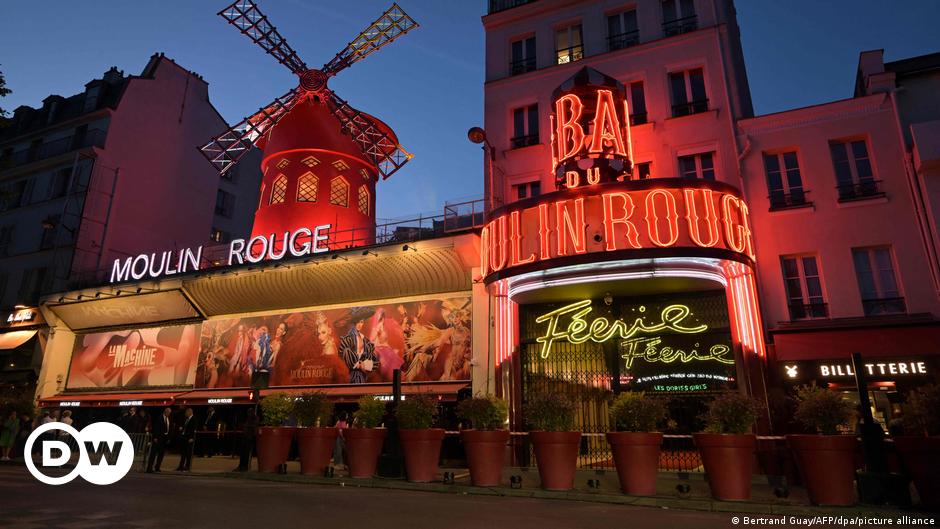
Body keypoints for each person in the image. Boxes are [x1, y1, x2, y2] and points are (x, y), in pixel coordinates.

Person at [340, 308, 378, 384]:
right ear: (353, 323)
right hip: (350, 377)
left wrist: (365, 365)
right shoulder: (347, 339)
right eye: (357, 322)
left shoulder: (366, 342)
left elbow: (375, 363)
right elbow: (342, 356)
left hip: (363, 377)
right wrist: (358, 365)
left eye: (361, 322)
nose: (359, 325)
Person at [147, 408, 172, 473]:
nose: (169, 414)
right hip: (158, 438)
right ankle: (149, 468)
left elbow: (169, 429)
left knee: (161, 454)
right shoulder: (159, 418)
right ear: (165, 412)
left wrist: (168, 438)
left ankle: (157, 467)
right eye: (168, 412)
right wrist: (155, 437)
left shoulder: (168, 419)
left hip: (164, 439)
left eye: (169, 413)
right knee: (153, 454)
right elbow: (156, 428)